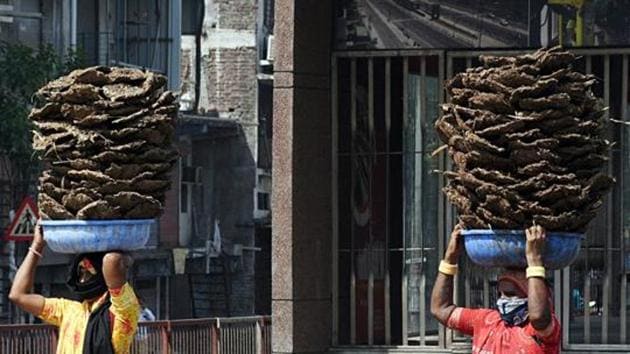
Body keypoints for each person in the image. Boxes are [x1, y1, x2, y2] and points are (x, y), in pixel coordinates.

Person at [9, 219, 141, 354]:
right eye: (80, 273)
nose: (83, 280)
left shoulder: (122, 310)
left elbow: (112, 260)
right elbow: (18, 295)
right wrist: (37, 245)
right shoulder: (69, 311)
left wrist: (128, 258)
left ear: (103, 274)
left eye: (89, 273)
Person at [431, 224, 561, 353]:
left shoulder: (541, 333)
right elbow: (440, 309)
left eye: (510, 294)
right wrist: (449, 259)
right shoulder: (485, 321)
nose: (503, 300)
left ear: (530, 295)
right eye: (500, 294)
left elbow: (538, 317)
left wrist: (534, 261)